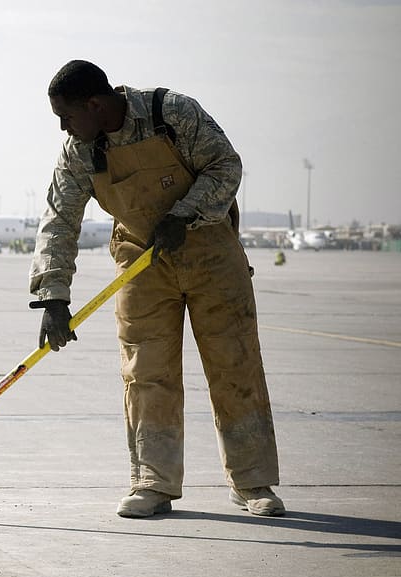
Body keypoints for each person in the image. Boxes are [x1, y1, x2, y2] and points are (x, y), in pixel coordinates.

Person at [29, 60, 284, 518]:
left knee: (235, 365)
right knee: (147, 373)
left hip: (210, 253)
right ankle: (153, 482)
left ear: (94, 104)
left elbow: (225, 165)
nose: (64, 128)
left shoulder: (172, 113)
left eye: (66, 116)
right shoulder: (79, 151)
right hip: (141, 263)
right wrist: (53, 296)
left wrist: (184, 214)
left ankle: (252, 482)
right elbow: (59, 220)